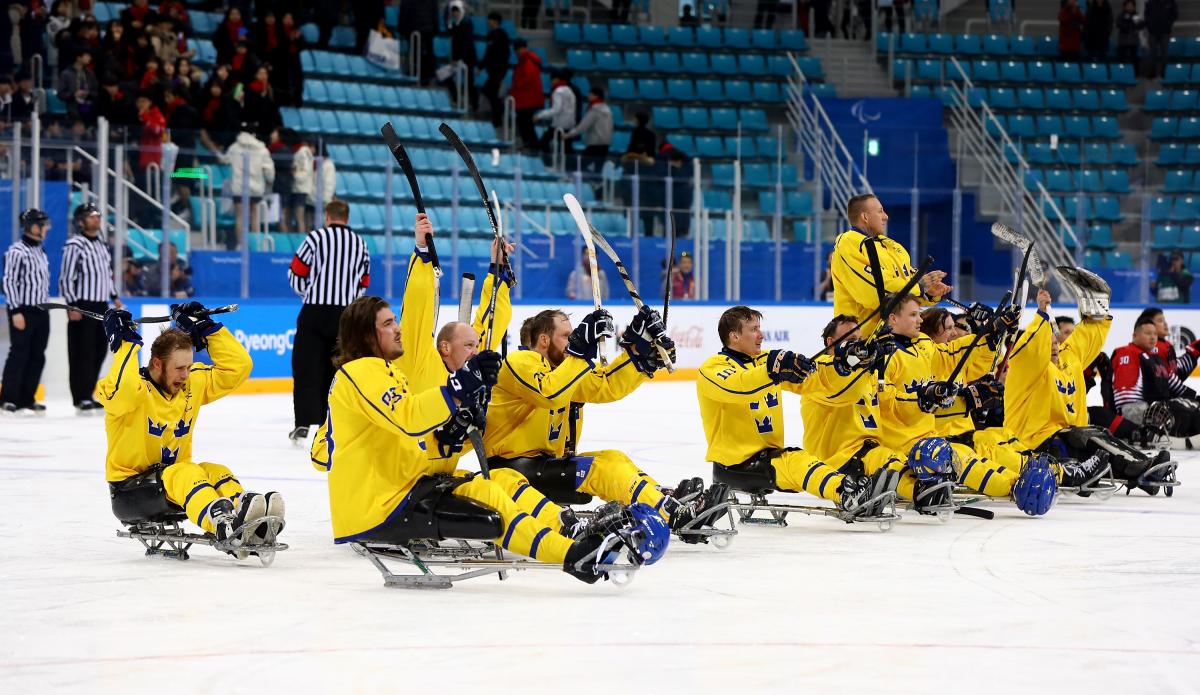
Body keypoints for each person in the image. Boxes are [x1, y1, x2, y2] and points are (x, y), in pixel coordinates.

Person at [314, 295, 661, 583]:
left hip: (406, 486)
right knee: (493, 499)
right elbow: (409, 418)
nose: (398, 328)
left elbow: (415, 446)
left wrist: (452, 434)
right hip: (381, 504)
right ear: (365, 334)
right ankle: (571, 554)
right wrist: (458, 391)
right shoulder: (359, 372)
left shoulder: (386, 374)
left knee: (499, 484)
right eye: (388, 323)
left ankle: (566, 535)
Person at [485, 305, 725, 544]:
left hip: (545, 465)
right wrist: (579, 353)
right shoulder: (521, 361)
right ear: (545, 340)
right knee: (601, 468)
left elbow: (606, 384)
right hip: (512, 468)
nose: (573, 340)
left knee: (613, 458)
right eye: (566, 336)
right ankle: (671, 513)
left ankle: (660, 497)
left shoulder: (564, 371)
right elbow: (549, 391)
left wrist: (638, 357)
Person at [98, 301, 285, 555]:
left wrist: (208, 330)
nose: (185, 375)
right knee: (184, 473)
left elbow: (239, 367)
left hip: (172, 484)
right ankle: (223, 525)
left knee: (215, 471)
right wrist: (125, 345)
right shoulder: (133, 392)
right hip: (129, 492)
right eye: (179, 368)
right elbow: (124, 389)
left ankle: (245, 517)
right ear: (156, 364)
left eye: (188, 367)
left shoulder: (191, 384)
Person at [700, 306, 901, 517]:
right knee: (798, 461)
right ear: (734, 336)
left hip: (766, 456)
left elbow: (816, 378)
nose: (761, 335)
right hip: (733, 463)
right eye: (753, 329)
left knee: (798, 460)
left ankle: (851, 489)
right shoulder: (713, 368)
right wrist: (772, 370)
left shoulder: (763, 360)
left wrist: (847, 363)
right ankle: (846, 493)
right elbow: (739, 385)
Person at [878, 294, 1063, 514]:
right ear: (893, 319)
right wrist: (924, 399)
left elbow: (954, 355)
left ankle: (1025, 478)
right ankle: (1015, 487)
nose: (919, 320)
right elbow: (885, 404)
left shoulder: (924, 346)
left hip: (928, 436)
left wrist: (990, 334)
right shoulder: (884, 356)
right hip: (902, 444)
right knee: (962, 459)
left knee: (973, 454)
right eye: (913, 315)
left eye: (919, 314)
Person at [1006, 287, 1172, 493]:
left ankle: (1143, 466)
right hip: (1032, 444)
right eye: (1047, 344)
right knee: (1084, 437)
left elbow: (1084, 338)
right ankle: (1141, 470)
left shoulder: (1067, 361)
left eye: (1056, 342)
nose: (1055, 347)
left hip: (1066, 435)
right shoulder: (1026, 370)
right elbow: (1029, 350)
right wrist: (1040, 312)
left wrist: (1098, 311)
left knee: (1096, 432)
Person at [286, 199, 370, 444]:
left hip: (314, 311)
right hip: (345, 315)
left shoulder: (315, 238)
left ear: (327, 216)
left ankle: (302, 423)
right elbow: (364, 282)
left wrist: (309, 293)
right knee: (338, 371)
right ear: (347, 217)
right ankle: (330, 424)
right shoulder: (360, 243)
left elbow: (296, 272)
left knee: (305, 368)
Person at [831, 193, 951, 336]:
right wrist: (919, 287)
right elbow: (877, 294)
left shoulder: (892, 246)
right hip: (862, 342)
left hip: (894, 339)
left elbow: (909, 289)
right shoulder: (849, 243)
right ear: (865, 217)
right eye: (880, 211)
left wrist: (928, 293)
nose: (886, 216)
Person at [60, 203, 121, 414]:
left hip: (101, 305)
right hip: (83, 305)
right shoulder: (74, 244)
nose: (96, 219)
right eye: (91, 216)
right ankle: (80, 397)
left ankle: (89, 393)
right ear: (81, 221)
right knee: (81, 351)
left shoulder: (102, 245)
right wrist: (72, 305)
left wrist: (115, 297)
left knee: (99, 350)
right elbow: (66, 277)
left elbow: (107, 274)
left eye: (98, 216)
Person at [1111, 315, 1200, 443]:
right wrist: (1142, 425)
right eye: (1148, 333)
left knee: (1191, 407)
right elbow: (1127, 403)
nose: (1153, 337)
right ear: (1135, 335)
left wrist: (1194, 398)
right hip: (1147, 414)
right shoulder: (1128, 353)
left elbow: (1175, 385)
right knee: (1184, 412)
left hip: (1160, 409)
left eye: (1155, 334)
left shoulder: (1156, 359)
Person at [1, 209, 52, 416]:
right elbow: (9, 282)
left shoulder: (40, 250)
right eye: (41, 225)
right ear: (30, 226)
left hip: (42, 311)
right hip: (23, 310)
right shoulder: (16, 251)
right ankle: (8, 399)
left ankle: (27, 398)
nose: (45, 229)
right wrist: (15, 310)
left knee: (37, 356)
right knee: (19, 354)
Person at [218, 124, 275, 248]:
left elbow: (225, 160)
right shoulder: (262, 149)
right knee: (254, 216)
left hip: (239, 187)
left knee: (240, 216)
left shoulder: (234, 147)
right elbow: (269, 170)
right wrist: (270, 180)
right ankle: (255, 244)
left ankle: (240, 244)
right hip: (256, 187)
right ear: (254, 134)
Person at [564, 87, 612, 172]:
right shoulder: (607, 109)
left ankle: (575, 182)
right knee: (598, 169)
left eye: (590, 94)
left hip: (595, 143)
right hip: (605, 143)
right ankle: (597, 184)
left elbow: (584, 126)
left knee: (579, 166)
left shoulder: (595, 109)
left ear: (596, 96)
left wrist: (569, 134)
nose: (588, 96)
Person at [444, 0, 477, 111]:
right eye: (453, 12)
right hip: (458, 58)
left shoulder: (466, 23)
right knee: (445, 76)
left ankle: (473, 104)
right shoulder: (456, 24)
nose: (455, 14)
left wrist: (460, 58)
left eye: (457, 11)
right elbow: (449, 30)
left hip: (465, 59)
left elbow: (465, 42)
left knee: (469, 82)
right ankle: (459, 99)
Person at [535, 70, 576, 155]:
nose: (551, 82)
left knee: (544, 142)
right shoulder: (569, 90)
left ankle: (548, 162)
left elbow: (556, 109)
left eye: (552, 80)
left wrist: (540, 116)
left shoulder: (558, 91)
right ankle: (569, 166)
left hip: (559, 124)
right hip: (569, 123)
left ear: (556, 79)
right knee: (567, 148)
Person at [480, 12, 509, 128]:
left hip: (497, 70)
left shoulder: (499, 35)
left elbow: (493, 53)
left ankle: (498, 116)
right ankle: (498, 114)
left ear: (495, 21)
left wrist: (482, 65)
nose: (488, 22)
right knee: (489, 91)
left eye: (490, 20)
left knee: (491, 92)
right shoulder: (493, 34)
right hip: (494, 70)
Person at [1145, 0, 1178, 80]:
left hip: (1165, 31)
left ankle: (1164, 73)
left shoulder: (1171, 2)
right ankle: (1151, 73)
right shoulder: (1150, 2)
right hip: (1153, 31)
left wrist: (1168, 23)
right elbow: (1146, 15)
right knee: (1152, 53)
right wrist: (1150, 25)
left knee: (1164, 53)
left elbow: (1175, 14)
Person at [1115, 0, 1142, 70]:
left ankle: (1135, 74)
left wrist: (1137, 25)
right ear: (1125, 6)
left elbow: (1140, 26)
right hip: (1123, 41)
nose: (1130, 7)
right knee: (1121, 58)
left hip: (1133, 41)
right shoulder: (1121, 15)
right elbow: (1118, 24)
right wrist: (1126, 22)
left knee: (1134, 59)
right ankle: (1121, 72)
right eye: (1128, 5)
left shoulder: (1135, 15)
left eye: (1131, 5)